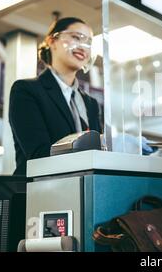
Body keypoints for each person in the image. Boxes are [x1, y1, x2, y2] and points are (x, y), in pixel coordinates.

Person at [9, 17, 102, 176]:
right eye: (76, 37)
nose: (83, 46)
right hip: (39, 190)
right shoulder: (26, 90)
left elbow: (98, 153)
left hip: (82, 189)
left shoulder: (90, 103)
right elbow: (39, 154)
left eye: (89, 42)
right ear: (52, 41)